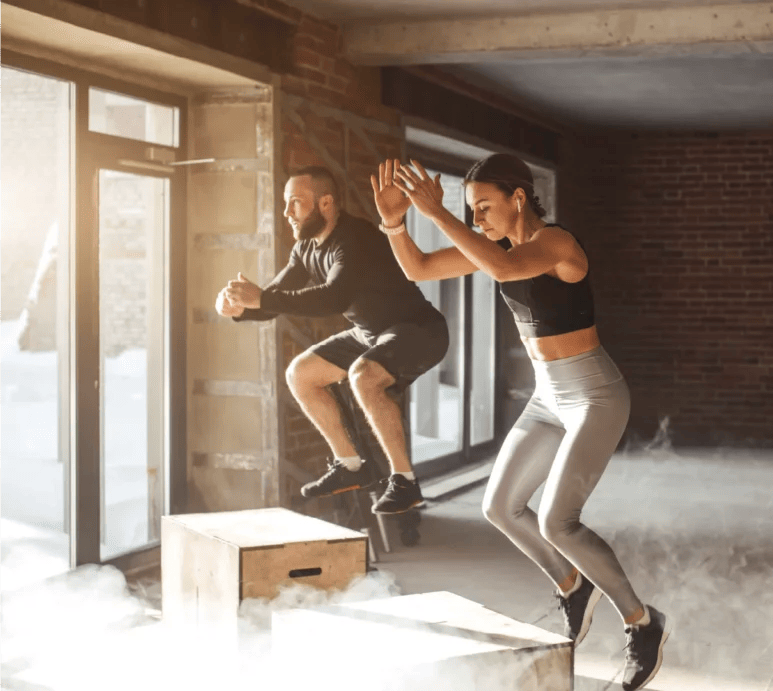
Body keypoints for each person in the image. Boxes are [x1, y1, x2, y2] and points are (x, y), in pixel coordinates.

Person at [370, 155, 670, 690]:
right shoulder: (499, 249)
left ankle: (642, 623)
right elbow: (418, 268)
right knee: (499, 506)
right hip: (548, 397)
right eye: (471, 210)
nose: (479, 219)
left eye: (484, 207)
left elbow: (506, 271)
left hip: (595, 396)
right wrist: (395, 223)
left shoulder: (557, 244)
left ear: (519, 197)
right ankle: (572, 584)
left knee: (559, 522)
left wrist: (438, 214)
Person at [216, 165, 448, 515]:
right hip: (370, 333)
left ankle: (405, 482)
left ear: (325, 203)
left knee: (363, 374)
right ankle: (351, 465)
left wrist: (260, 298)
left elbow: (333, 298)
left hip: (418, 329)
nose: (286, 213)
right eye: (285, 204)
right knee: (301, 373)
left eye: (295, 203)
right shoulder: (306, 247)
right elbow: (273, 298)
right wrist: (238, 307)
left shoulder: (357, 237)